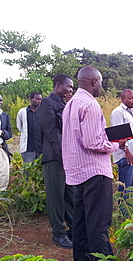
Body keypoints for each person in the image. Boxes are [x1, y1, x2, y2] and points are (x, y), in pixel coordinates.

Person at [62, 66, 127, 261]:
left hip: (77, 173)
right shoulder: (90, 105)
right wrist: (117, 145)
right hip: (95, 173)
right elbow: (93, 142)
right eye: (100, 81)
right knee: (98, 223)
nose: (101, 86)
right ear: (93, 81)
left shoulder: (71, 104)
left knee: (80, 222)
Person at [36, 74, 74, 249]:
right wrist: (65, 157)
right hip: (54, 159)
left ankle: (73, 230)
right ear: (58, 85)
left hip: (66, 159)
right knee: (56, 198)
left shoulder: (64, 104)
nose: (70, 90)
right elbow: (52, 135)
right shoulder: (46, 104)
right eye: (68, 86)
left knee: (70, 196)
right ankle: (58, 234)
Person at [16, 92, 42, 163]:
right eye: (37, 99)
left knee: (41, 172)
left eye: (40, 99)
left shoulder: (42, 112)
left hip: (41, 149)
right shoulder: (22, 112)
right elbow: (19, 127)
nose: (39, 101)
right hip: (28, 150)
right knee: (28, 172)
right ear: (31, 99)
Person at [0, 95, 12, 191]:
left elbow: (9, 134)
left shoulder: (5, 116)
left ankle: (2, 194)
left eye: (1, 100)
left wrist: (2, 133)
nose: (0, 102)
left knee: (4, 172)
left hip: (1, 148)